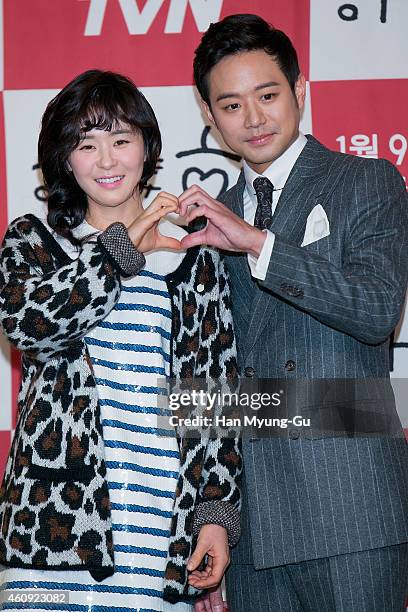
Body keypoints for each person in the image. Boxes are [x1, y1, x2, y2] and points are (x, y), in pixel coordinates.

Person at [179, 13, 408, 612]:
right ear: (208, 115)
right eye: (231, 105)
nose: (253, 119)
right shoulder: (204, 223)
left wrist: (257, 244)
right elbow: (208, 380)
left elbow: (377, 309)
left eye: (269, 95)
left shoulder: (366, 181)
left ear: (300, 91)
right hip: (252, 522)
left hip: (350, 506)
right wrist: (214, 520)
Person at [0, 70, 241, 611]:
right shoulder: (34, 243)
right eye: (86, 145)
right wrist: (122, 249)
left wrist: (214, 516)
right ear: (64, 159)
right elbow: (33, 326)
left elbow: (212, 398)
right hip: (55, 526)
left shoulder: (192, 256)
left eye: (120, 140)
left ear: (147, 148)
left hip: (160, 527)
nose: (106, 161)